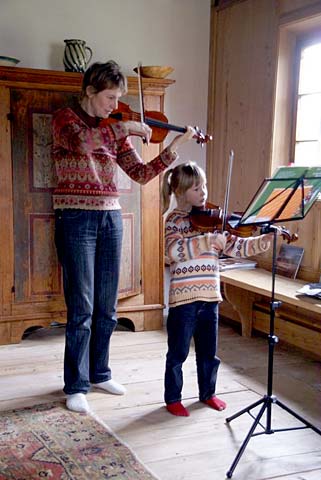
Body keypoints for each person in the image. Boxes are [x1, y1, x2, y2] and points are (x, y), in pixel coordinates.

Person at [52, 60, 195, 414]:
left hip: (110, 218)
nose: (114, 106)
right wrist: (127, 127)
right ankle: (76, 384)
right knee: (81, 307)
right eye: (110, 97)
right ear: (89, 91)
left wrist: (173, 149)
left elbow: (141, 173)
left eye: (118, 99)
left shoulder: (113, 128)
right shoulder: (65, 120)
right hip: (75, 218)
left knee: (107, 306)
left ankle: (100, 372)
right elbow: (84, 143)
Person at [161, 162, 279, 417]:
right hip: (183, 300)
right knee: (178, 353)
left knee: (208, 353)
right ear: (180, 192)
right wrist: (206, 240)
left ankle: (208, 393)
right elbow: (173, 252)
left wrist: (263, 241)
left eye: (203, 186)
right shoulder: (174, 221)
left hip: (211, 297)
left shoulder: (215, 222)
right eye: (195, 188)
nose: (203, 193)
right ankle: (173, 398)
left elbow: (239, 246)